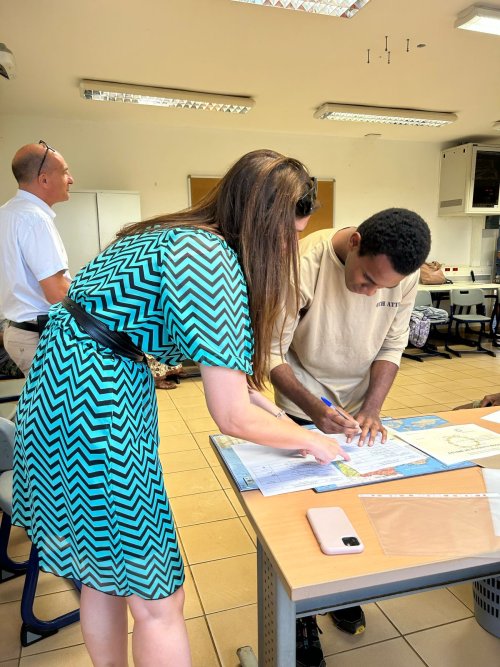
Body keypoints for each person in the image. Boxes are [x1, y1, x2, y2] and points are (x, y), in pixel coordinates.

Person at [12, 149, 348, 667]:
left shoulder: (168, 233)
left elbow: (229, 380)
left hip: (55, 392)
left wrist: (275, 413)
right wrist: (313, 440)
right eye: (289, 234)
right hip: (95, 406)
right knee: (158, 599)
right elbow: (230, 414)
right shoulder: (210, 257)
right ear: (264, 222)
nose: (289, 247)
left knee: (101, 574)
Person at [270, 208, 431, 665]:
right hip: (302, 397)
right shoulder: (303, 264)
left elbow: (392, 344)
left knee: (354, 504)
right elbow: (272, 351)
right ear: (355, 242)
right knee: (300, 513)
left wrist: (372, 409)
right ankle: (301, 616)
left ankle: (342, 592)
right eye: (367, 279)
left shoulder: (401, 275)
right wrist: (313, 410)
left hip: (360, 404)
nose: (371, 292)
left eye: (383, 287)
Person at [0, 140, 73, 376]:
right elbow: (56, 293)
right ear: (44, 180)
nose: (71, 179)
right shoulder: (34, 218)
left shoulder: (7, 213)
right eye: (65, 172)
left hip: (18, 332)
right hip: (37, 336)